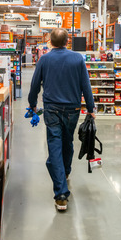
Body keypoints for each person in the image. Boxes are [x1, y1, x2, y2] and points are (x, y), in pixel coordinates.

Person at [28, 28, 95, 212]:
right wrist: (90, 108)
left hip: (52, 110)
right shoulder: (77, 59)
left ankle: (61, 195)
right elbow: (85, 85)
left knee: (55, 146)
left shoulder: (44, 59)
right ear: (67, 42)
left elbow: (35, 84)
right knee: (68, 143)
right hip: (73, 109)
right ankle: (64, 173)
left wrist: (32, 104)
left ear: (50, 41)